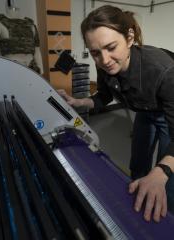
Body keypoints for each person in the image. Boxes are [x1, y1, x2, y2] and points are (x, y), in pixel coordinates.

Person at [58, 5, 174, 222]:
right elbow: (104, 95)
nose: (105, 60)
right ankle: (137, 200)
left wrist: (160, 174)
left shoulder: (164, 71)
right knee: (138, 164)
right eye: (95, 52)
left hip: (168, 116)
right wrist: (78, 101)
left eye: (111, 47)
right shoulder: (104, 66)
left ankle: (166, 218)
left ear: (129, 38)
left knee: (166, 176)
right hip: (144, 112)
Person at [0, 3, 43, 74]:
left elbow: (37, 50)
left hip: (32, 70)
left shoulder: (31, 24)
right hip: (11, 70)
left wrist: (41, 70)